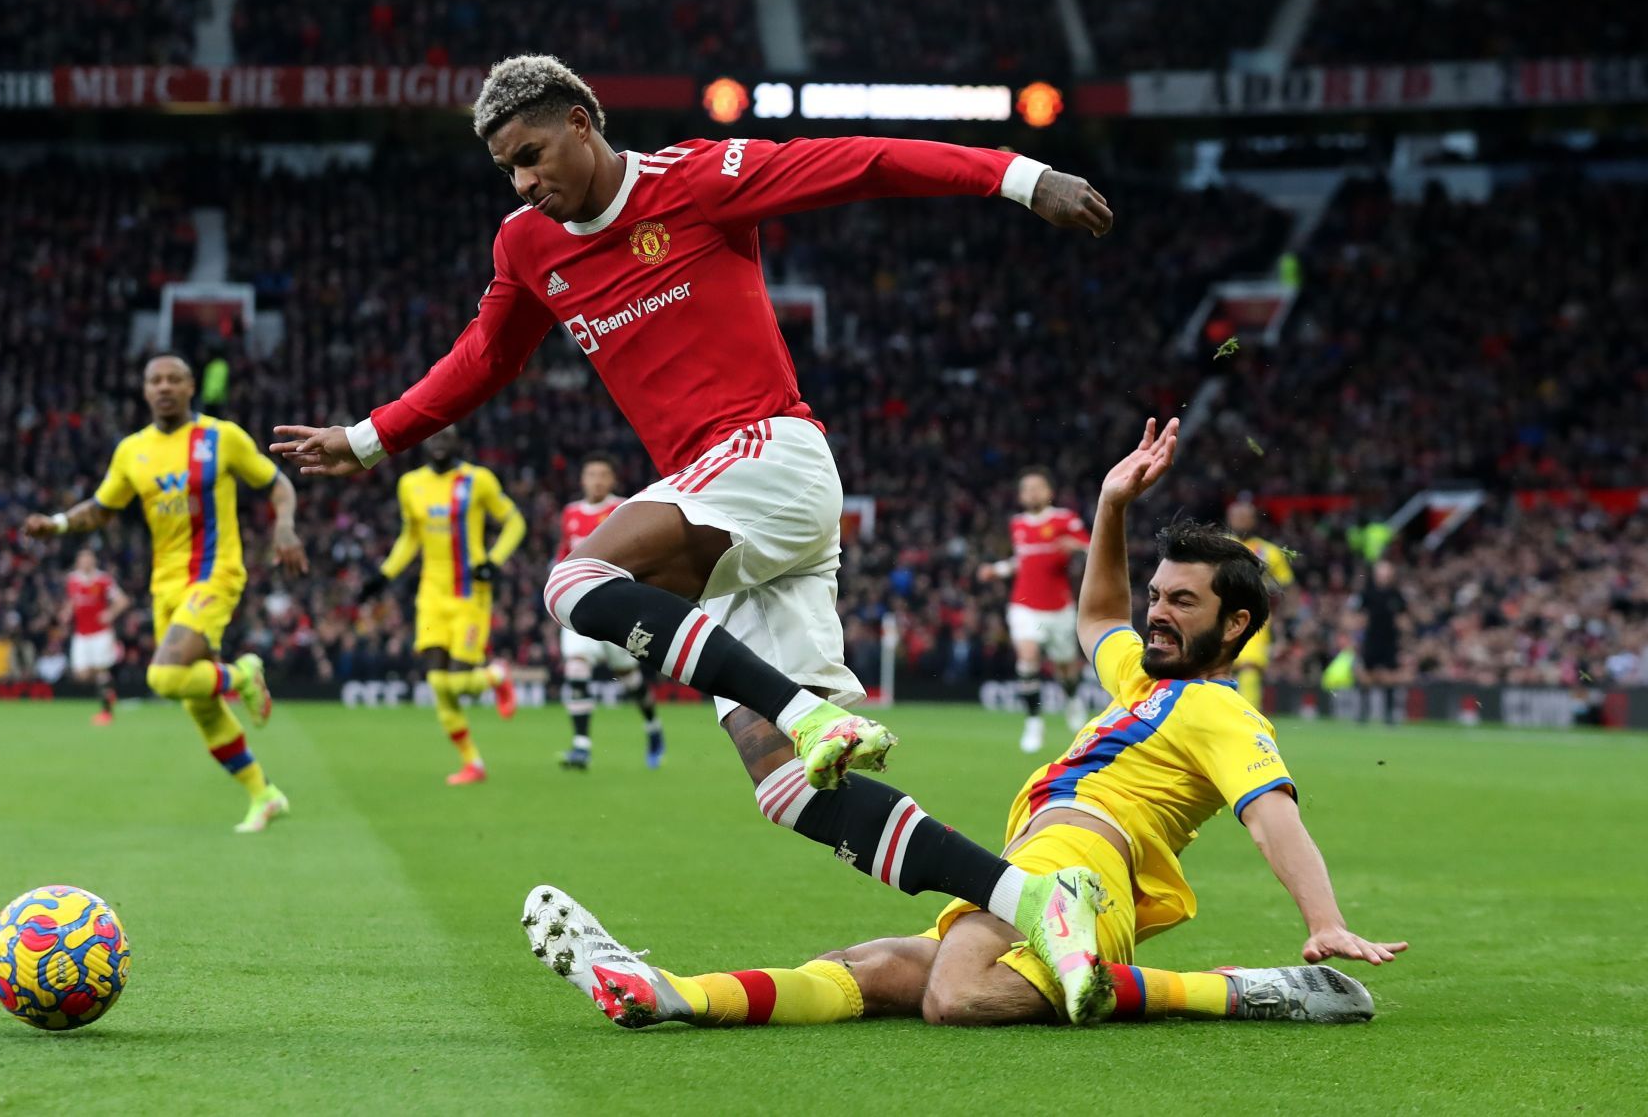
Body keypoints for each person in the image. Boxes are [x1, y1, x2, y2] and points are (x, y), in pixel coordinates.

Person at [273, 54, 1123, 1022]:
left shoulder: (700, 179)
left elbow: (864, 160)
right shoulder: (526, 245)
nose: (524, 181)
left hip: (767, 453)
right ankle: (1038, 898)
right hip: (728, 513)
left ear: (585, 121)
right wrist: (371, 436)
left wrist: (1019, 176)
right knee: (798, 795)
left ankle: (807, 711)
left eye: (534, 153)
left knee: (575, 577)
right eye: (508, 167)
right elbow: (485, 356)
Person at [525, 419, 1407, 1030]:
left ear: (1237, 625)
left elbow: (1272, 812)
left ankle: (1245, 990)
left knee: (958, 993)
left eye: (1183, 601)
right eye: (1158, 594)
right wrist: (1111, 506)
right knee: (868, 968)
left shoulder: (1220, 707)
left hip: (1085, 871)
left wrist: (1322, 917)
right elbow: (1096, 613)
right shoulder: (1142, 673)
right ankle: (673, 992)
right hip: (1030, 862)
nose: (1158, 612)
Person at [23, 354, 307, 833]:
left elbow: (278, 485)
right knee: (198, 704)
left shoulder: (223, 437)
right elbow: (101, 507)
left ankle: (241, 674)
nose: (165, 387)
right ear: (144, 390)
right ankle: (264, 794)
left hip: (215, 573)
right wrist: (56, 524)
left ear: (191, 386)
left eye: (174, 379)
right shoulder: (132, 450)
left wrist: (284, 528)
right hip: (166, 586)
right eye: (155, 380)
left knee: (163, 677)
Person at [359, 426, 524, 785]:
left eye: (447, 436)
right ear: (424, 442)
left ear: (458, 442)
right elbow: (410, 537)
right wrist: (384, 575)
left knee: (460, 682)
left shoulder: (478, 480)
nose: (439, 442)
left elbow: (514, 522)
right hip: (431, 594)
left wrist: (493, 561)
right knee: (437, 683)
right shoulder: (410, 485)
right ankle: (473, 763)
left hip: (469, 595)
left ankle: (496, 676)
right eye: (433, 436)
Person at [554, 452, 663, 771]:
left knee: (629, 678)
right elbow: (563, 554)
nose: (597, 481)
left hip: (615, 606)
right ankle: (581, 746)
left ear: (612, 480)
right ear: (582, 479)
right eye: (591, 475)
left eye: (603, 475)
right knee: (576, 668)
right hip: (576, 603)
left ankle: (653, 727)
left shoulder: (623, 509)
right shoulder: (570, 513)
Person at [980, 467, 1091, 753]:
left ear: (1049, 492)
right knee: (1027, 657)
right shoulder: (1017, 524)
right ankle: (1033, 722)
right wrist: (997, 569)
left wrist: (1077, 546)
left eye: (1036, 488)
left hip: (1059, 606)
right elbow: (1023, 560)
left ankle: (1073, 699)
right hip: (1024, 605)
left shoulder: (1065, 519)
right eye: (1025, 489)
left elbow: (1092, 548)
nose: (1031, 493)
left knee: (1065, 666)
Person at [1227, 497, 1295, 714]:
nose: (1240, 520)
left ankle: (1247, 716)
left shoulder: (1269, 552)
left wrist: (1285, 627)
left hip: (1254, 617)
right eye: (1236, 516)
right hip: (1217, 615)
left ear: (1253, 519)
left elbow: (1287, 588)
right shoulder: (1218, 545)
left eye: (1244, 516)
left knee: (1249, 667)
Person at [64, 548, 131, 725]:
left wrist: (110, 613)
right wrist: (67, 612)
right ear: (78, 562)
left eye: (88, 559)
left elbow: (123, 600)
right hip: (81, 634)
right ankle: (109, 690)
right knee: (81, 674)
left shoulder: (103, 580)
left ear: (93, 561)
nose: (85, 562)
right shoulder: (72, 580)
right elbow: (73, 600)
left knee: (101, 670)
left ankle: (106, 713)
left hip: (101, 633)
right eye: (82, 559)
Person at [1354, 560, 1408, 722]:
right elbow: (1358, 616)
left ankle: (1389, 714)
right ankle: (1363, 712)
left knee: (1389, 676)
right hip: (1371, 639)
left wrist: (1405, 636)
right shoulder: (1367, 593)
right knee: (1366, 675)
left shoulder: (1396, 595)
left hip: (1389, 640)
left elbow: (1403, 617)